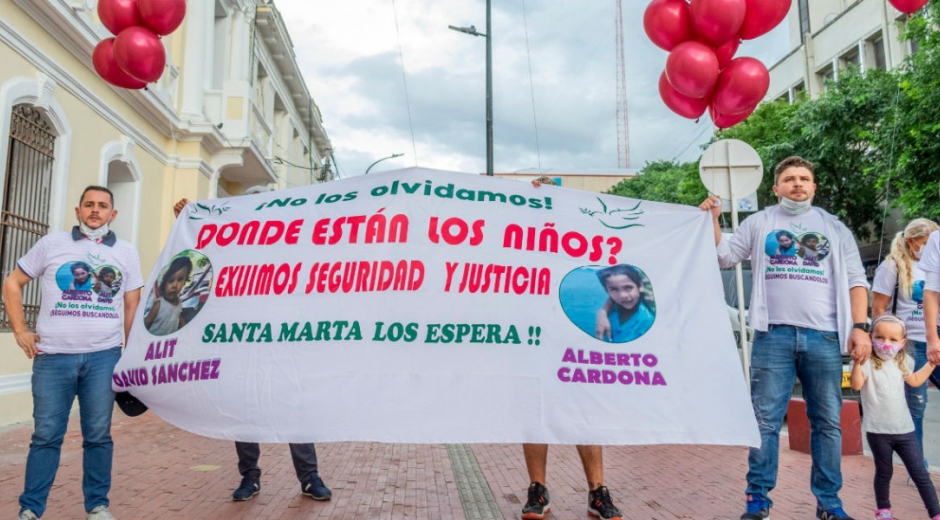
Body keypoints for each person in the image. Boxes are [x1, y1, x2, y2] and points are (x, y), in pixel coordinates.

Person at [699, 156, 870, 520]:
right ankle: (757, 499)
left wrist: (860, 326)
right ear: (775, 188)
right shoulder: (760, 222)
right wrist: (713, 219)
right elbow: (724, 257)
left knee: (826, 421)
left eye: (804, 178)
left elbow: (857, 280)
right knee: (764, 421)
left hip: (823, 338)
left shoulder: (834, 227)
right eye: (789, 179)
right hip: (771, 335)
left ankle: (829, 503)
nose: (797, 184)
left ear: (814, 186)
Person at [172, 196, 332, 503]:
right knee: (244, 409)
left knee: (295, 410)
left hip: (286, 344)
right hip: (243, 344)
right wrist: (191, 220)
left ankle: (310, 477)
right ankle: (249, 476)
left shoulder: (294, 248)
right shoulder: (237, 249)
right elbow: (206, 255)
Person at [3, 186, 143, 520]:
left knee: (98, 436)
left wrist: (132, 353)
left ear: (113, 214)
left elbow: (131, 304)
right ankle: (31, 509)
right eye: (89, 205)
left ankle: (97, 506)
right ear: (78, 211)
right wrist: (21, 330)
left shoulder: (126, 252)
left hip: (104, 358)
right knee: (46, 436)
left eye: (103, 206)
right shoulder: (52, 244)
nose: (96, 210)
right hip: (53, 359)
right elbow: (12, 283)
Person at [524, 176, 623, 520]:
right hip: (536, 338)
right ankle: (538, 490)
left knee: (586, 413)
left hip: (576, 339)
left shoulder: (584, 240)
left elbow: (611, 275)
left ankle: (597, 491)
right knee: (535, 413)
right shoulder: (521, 241)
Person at [849, 315, 940, 520]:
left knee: (920, 473)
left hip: (905, 430)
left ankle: (935, 512)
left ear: (902, 343)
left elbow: (915, 380)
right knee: (884, 472)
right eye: (880, 337)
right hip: (878, 431)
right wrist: (856, 364)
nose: (885, 344)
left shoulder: (904, 362)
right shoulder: (866, 363)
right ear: (871, 338)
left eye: (892, 339)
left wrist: (932, 365)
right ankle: (883, 511)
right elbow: (856, 385)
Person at [871, 219, 940, 462]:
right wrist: (883, 346)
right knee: (916, 408)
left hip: (936, 340)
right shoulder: (892, 266)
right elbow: (879, 307)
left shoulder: (935, 265)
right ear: (912, 242)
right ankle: (917, 464)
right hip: (909, 345)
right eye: (926, 243)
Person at [593, 264, 655, 343]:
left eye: (628, 288)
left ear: (640, 286)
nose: (623, 295)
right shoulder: (611, 314)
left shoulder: (648, 320)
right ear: (607, 291)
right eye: (614, 289)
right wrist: (602, 313)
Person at [144, 255, 192, 335]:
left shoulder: (179, 303)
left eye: (180, 280)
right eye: (171, 281)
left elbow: (178, 316)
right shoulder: (158, 305)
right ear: (165, 283)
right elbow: (147, 323)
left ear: (184, 282)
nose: (175, 285)